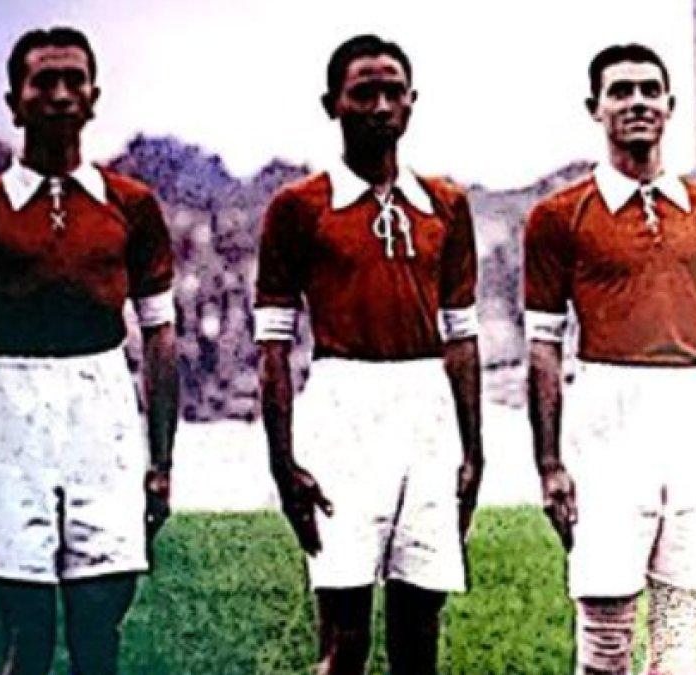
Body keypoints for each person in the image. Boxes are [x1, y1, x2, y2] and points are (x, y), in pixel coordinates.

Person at [0, 26, 177, 674]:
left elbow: (160, 335)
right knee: (27, 631)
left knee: (99, 628)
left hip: (103, 409)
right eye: (44, 81)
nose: (61, 95)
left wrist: (160, 462)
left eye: (74, 81)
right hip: (13, 409)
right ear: (15, 102)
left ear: (93, 98)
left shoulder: (132, 206)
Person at [254, 34, 483, 674]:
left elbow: (462, 339)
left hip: (427, 413)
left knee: (419, 629)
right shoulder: (298, 208)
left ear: (412, 101)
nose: (381, 107)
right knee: (345, 636)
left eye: (393, 92)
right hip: (342, 408)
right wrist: (283, 463)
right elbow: (273, 350)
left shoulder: (446, 205)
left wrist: (473, 452)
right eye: (364, 93)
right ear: (333, 103)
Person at [524, 43, 696, 674]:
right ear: (595, 108)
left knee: (686, 636)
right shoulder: (559, 216)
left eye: (650, 90)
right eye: (621, 91)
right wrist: (549, 464)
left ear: (670, 105)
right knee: (606, 628)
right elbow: (543, 349)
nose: (638, 102)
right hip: (608, 415)